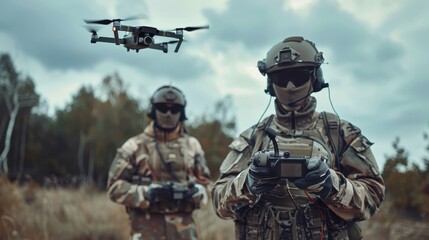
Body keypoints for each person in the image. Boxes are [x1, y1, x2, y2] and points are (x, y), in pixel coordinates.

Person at [211, 36, 385, 240]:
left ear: (315, 77)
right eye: (282, 78)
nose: (291, 86)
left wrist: (330, 184)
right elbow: (218, 201)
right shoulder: (252, 137)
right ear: (270, 82)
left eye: (299, 75)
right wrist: (247, 183)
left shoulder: (341, 133)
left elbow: (373, 197)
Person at [107, 85, 211, 240]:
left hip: (184, 233)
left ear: (181, 112)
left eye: (174, 109)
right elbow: (114, 188)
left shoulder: (192, 145)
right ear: (153, 110)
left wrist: (197, 192)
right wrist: (147, 193)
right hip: (145, 231)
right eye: (163, 108)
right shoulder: (134, 146)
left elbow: (207, 186)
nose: (168, 114)